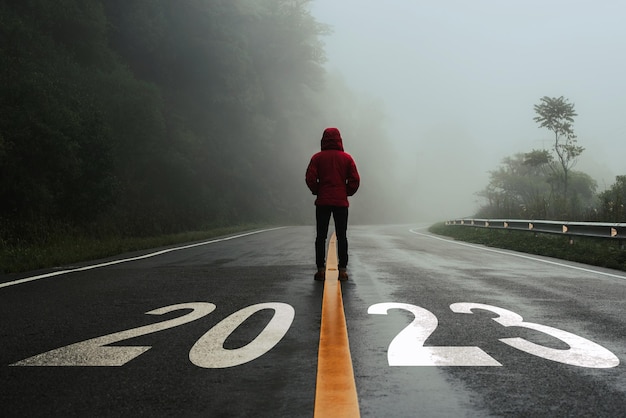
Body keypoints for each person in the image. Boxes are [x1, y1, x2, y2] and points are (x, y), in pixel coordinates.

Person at [305, 127, 360, 281]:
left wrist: (318, 190)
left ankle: (321, 270)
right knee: (342, 236)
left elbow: (310, 178)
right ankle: (342, 270)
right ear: (339, 139)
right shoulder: (347, 158)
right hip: (341, 202)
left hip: (322, 201)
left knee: (321, 236)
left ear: (323, 139)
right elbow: (355, 180)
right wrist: (346, 192)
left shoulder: (317, 158)